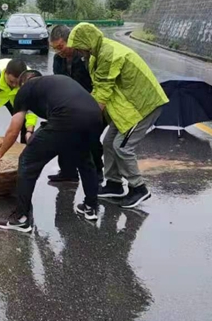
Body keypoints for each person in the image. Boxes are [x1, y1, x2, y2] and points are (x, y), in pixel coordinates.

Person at [0, 70, 103, 233]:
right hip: (95, 117)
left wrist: (0, 152)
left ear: (22, 83)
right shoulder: (55, 82)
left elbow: (14, 128)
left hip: (66, 117)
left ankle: (21, 218)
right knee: (85, 160)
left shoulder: (26, 89)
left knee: (27, 161)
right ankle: (90, 207)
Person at [66, 23, 169, 209]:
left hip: (141, 106)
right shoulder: (95, 55)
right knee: (108, 143)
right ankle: (114, 183)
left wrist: (84, 120)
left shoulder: (108, 53)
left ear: (88, 42)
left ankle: (138, 188)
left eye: (80, 47)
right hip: (125, 107)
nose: (79, 52)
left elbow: (102, 94)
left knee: (122, 147)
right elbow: (98, 89)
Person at [49, 24, 104, 184]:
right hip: (69, 103)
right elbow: (58, 81)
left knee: (90, 138)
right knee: (64, 135)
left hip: (89, 102)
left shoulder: (85, 55)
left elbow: (96, 82)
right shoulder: (58, 59)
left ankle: (97, 171)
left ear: (70, 40)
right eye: (55, 48)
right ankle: (68, 171)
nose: (59, 51)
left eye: (61, 46)